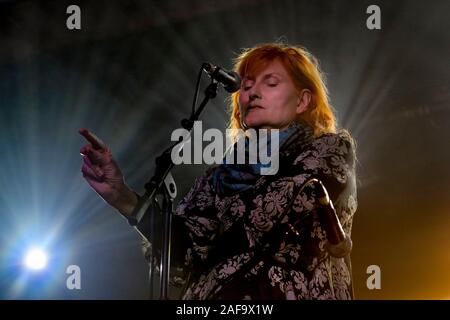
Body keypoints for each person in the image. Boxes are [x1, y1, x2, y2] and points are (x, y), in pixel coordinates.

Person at [79, 43, 357, 300]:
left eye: (270, 83)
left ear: (302, 101)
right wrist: (123, 197)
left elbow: (287, 207)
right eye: (246, 85)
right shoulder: (220, 176)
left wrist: (213, 242)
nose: (253, 92)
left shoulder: (328, 150)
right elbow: (185, 248)